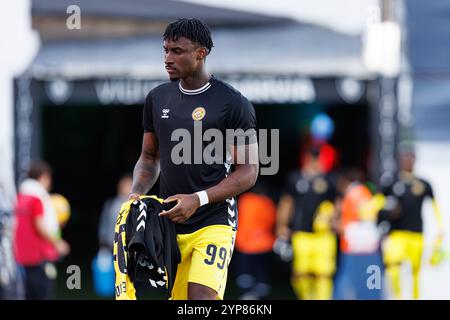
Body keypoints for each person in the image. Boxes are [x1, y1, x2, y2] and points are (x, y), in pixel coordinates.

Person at [128, 18, 258, 300]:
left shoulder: (232, 103)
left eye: (177, 51)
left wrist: (196, 199)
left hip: (214, 220)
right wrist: (136, 193)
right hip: (168, 222)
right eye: (165, 50)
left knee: (200, 299)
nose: (167, 58)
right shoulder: (157, 98)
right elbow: (149, 157)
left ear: (201, 53)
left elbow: (248, 171)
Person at [381, 147, 444, 300]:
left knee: (415, 273)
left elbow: (435, 208)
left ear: (415, 160)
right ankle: (397, 297)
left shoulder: (423, 184)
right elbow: (379, 204)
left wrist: (440, 231)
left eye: (410, 158)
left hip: (416, 234)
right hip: (397, 234)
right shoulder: (392, 182)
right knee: (393, 267)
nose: (407, 161)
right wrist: (387, 214)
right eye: (405, 158)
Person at [276, 148, 337, 300]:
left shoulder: (329, 179)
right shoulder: (295, 178)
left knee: (323, 274)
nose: (315, 161)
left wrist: (336, 220)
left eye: (318, 157)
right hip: (301, 233)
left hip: (324, 236)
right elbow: (287, 202)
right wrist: (281, 225)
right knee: (300, 274)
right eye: (312, 156)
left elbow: (338, 202)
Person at [13, 161, 70, 299]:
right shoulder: (38, 198)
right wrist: (58, 242)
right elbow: (39, 225)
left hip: (20, 256)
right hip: (38, 257)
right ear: (43, 176)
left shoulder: (19, 197)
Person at [333, 168, 385, 300]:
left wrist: (337, 224)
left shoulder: (352, 194)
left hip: (353, 248)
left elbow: (347, 223)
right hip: (369, 248)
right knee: (370, 286)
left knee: (348, 285)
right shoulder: (366, 193)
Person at [234, 180, 276, 300]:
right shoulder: (267, 202)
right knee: (261, 273)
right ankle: (260, 296)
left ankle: (246, 295)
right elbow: (271, 221)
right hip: (263, 244)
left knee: (245, 273)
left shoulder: (245, 200)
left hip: (245, 244)